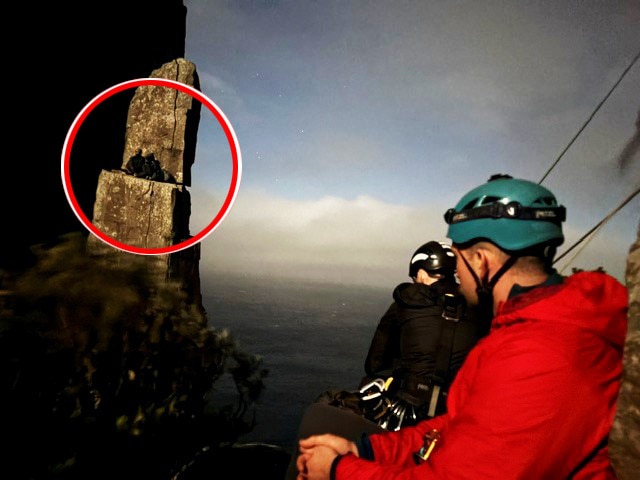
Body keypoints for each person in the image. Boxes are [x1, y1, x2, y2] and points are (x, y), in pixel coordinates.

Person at [295, 174, 629, 480]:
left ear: (481, 261)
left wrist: (339, 469)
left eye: (459, 262)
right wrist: (367, 451)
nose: (457, 277)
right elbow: (460, 425)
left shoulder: (539, 352)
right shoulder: (546, 323)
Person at [284, 241, 481, 480]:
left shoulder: (406, 302)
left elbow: (375, 364)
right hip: (455, 422)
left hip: (406, 415)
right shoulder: (479, 311)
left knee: (325, 406)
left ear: (419, 272)